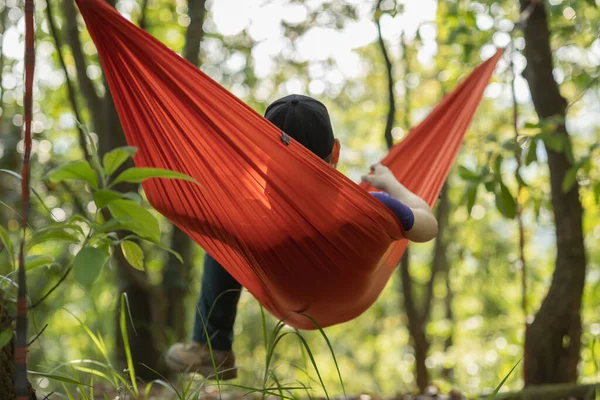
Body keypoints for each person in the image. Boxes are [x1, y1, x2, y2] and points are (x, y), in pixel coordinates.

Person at [164, 94, 438, 380]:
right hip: (348, 295)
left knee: (224, 241)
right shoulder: (374, 207)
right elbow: (427, 226)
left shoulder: (249, 218)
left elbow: (185, 206)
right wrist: (392, 184)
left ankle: (212, 347)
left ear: (264, 156)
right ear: (335, 151)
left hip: (290, 296)